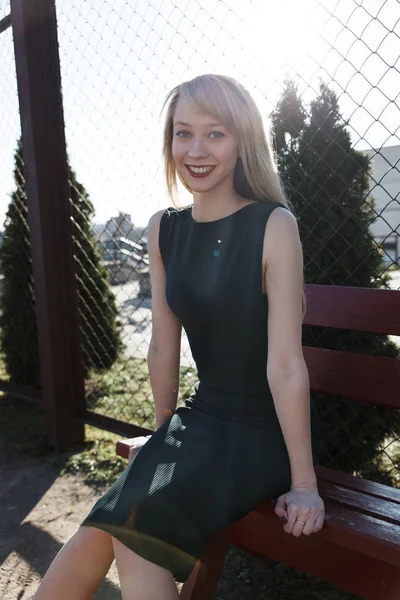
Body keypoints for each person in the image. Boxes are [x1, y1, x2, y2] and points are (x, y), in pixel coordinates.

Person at [33, 73, 325, 600]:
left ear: (243, 143)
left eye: (215, 134)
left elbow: (284, 365)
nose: (196, 149)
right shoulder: (164, 228)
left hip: (263, 433)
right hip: (199, 420)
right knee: (100, 533)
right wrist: (163, 440)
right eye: (183, 133)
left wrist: (304, 484)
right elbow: (163, 345)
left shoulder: (273, 225)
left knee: (136, 534)